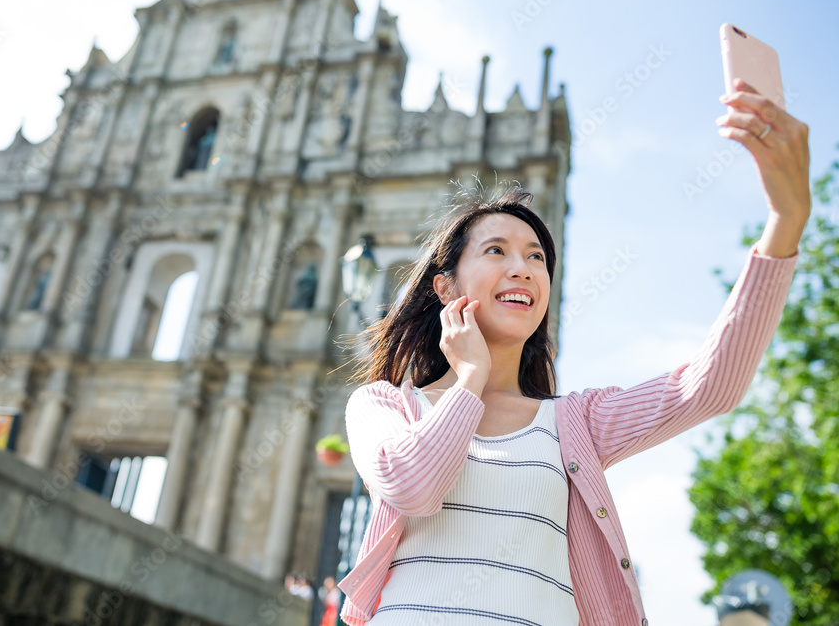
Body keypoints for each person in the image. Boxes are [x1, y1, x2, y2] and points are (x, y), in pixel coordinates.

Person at [336, 78, 810, 625]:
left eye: (537, 257)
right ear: (445, 287)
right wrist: (469, 380)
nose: (523, 267)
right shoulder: (383, 406)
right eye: (497, 250)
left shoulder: (574, 422)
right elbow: (413, 487)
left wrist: (785, 223)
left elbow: (709, 386)